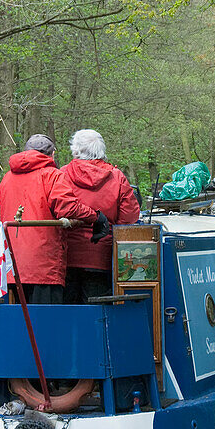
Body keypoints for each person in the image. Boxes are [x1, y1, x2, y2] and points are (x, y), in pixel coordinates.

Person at [0, 134, 109, 304]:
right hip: (43, 265)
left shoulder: (7, 178)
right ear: (52, 154)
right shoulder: (52, 175)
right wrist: (95, 217)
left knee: (19, 323)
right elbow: (69, 207)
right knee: (46, 323)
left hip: (11, 264)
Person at [60, 129, 141, 302]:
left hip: (67, 257)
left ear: (75, 150)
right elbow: (129, 218)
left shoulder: (62, 174)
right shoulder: (116, 177)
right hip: (101, 257)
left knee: (68, 314)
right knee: (97, 312)